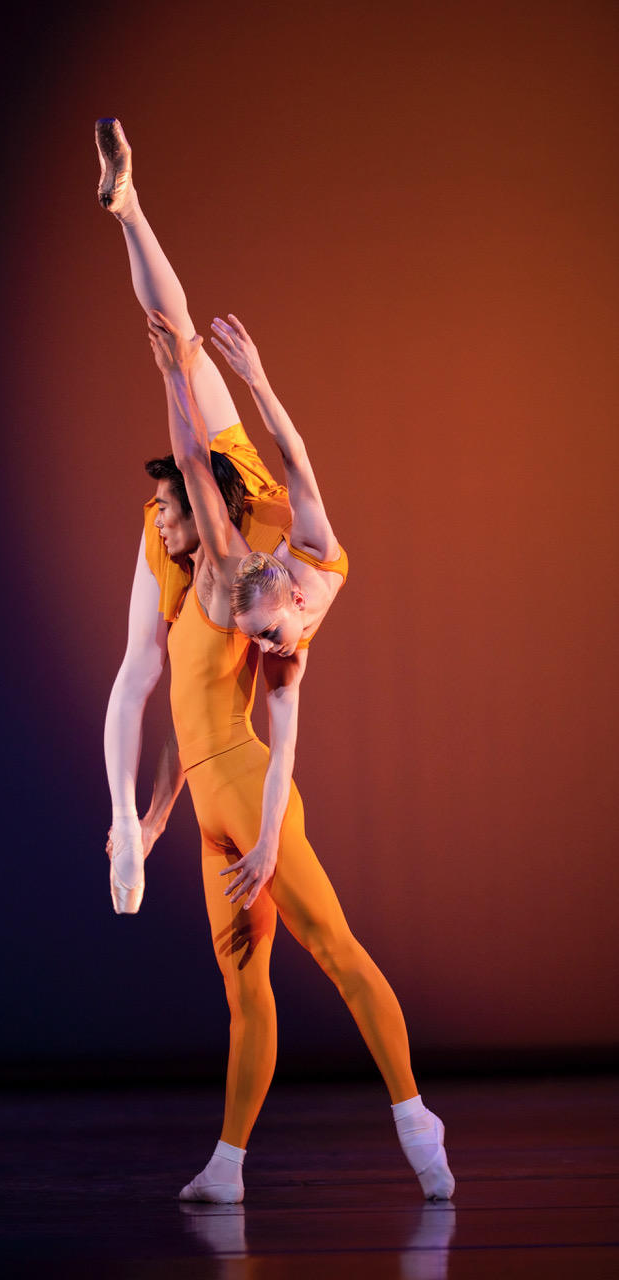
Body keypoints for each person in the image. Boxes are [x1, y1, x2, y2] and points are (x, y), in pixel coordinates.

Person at [97, 118, 455, 1205]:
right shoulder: (198, 564)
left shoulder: (289, 580)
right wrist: (141, 817)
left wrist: (257, 832)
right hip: (210, 802)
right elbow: (158, 697)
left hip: (250, 799)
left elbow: (273, 721)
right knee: (244, 992)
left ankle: (413, 1115)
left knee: (336, 950)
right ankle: (226, 1164)